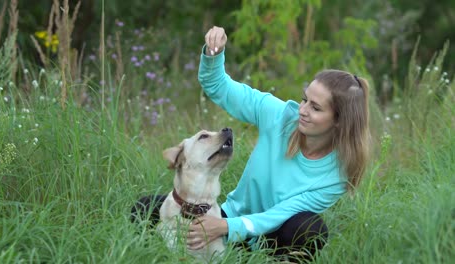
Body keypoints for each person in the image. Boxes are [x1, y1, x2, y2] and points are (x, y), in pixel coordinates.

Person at [131, 25, 371, 262]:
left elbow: (279, 215)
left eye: (316, 108)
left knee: (309, 228)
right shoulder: (280, 116)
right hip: (227, 220)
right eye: (304, 99)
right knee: (145, 207)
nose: (303, 111)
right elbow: (219, 87)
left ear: (339, 122)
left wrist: (226, 227)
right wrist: (213, 55)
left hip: (269, 240)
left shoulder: (336, 175)